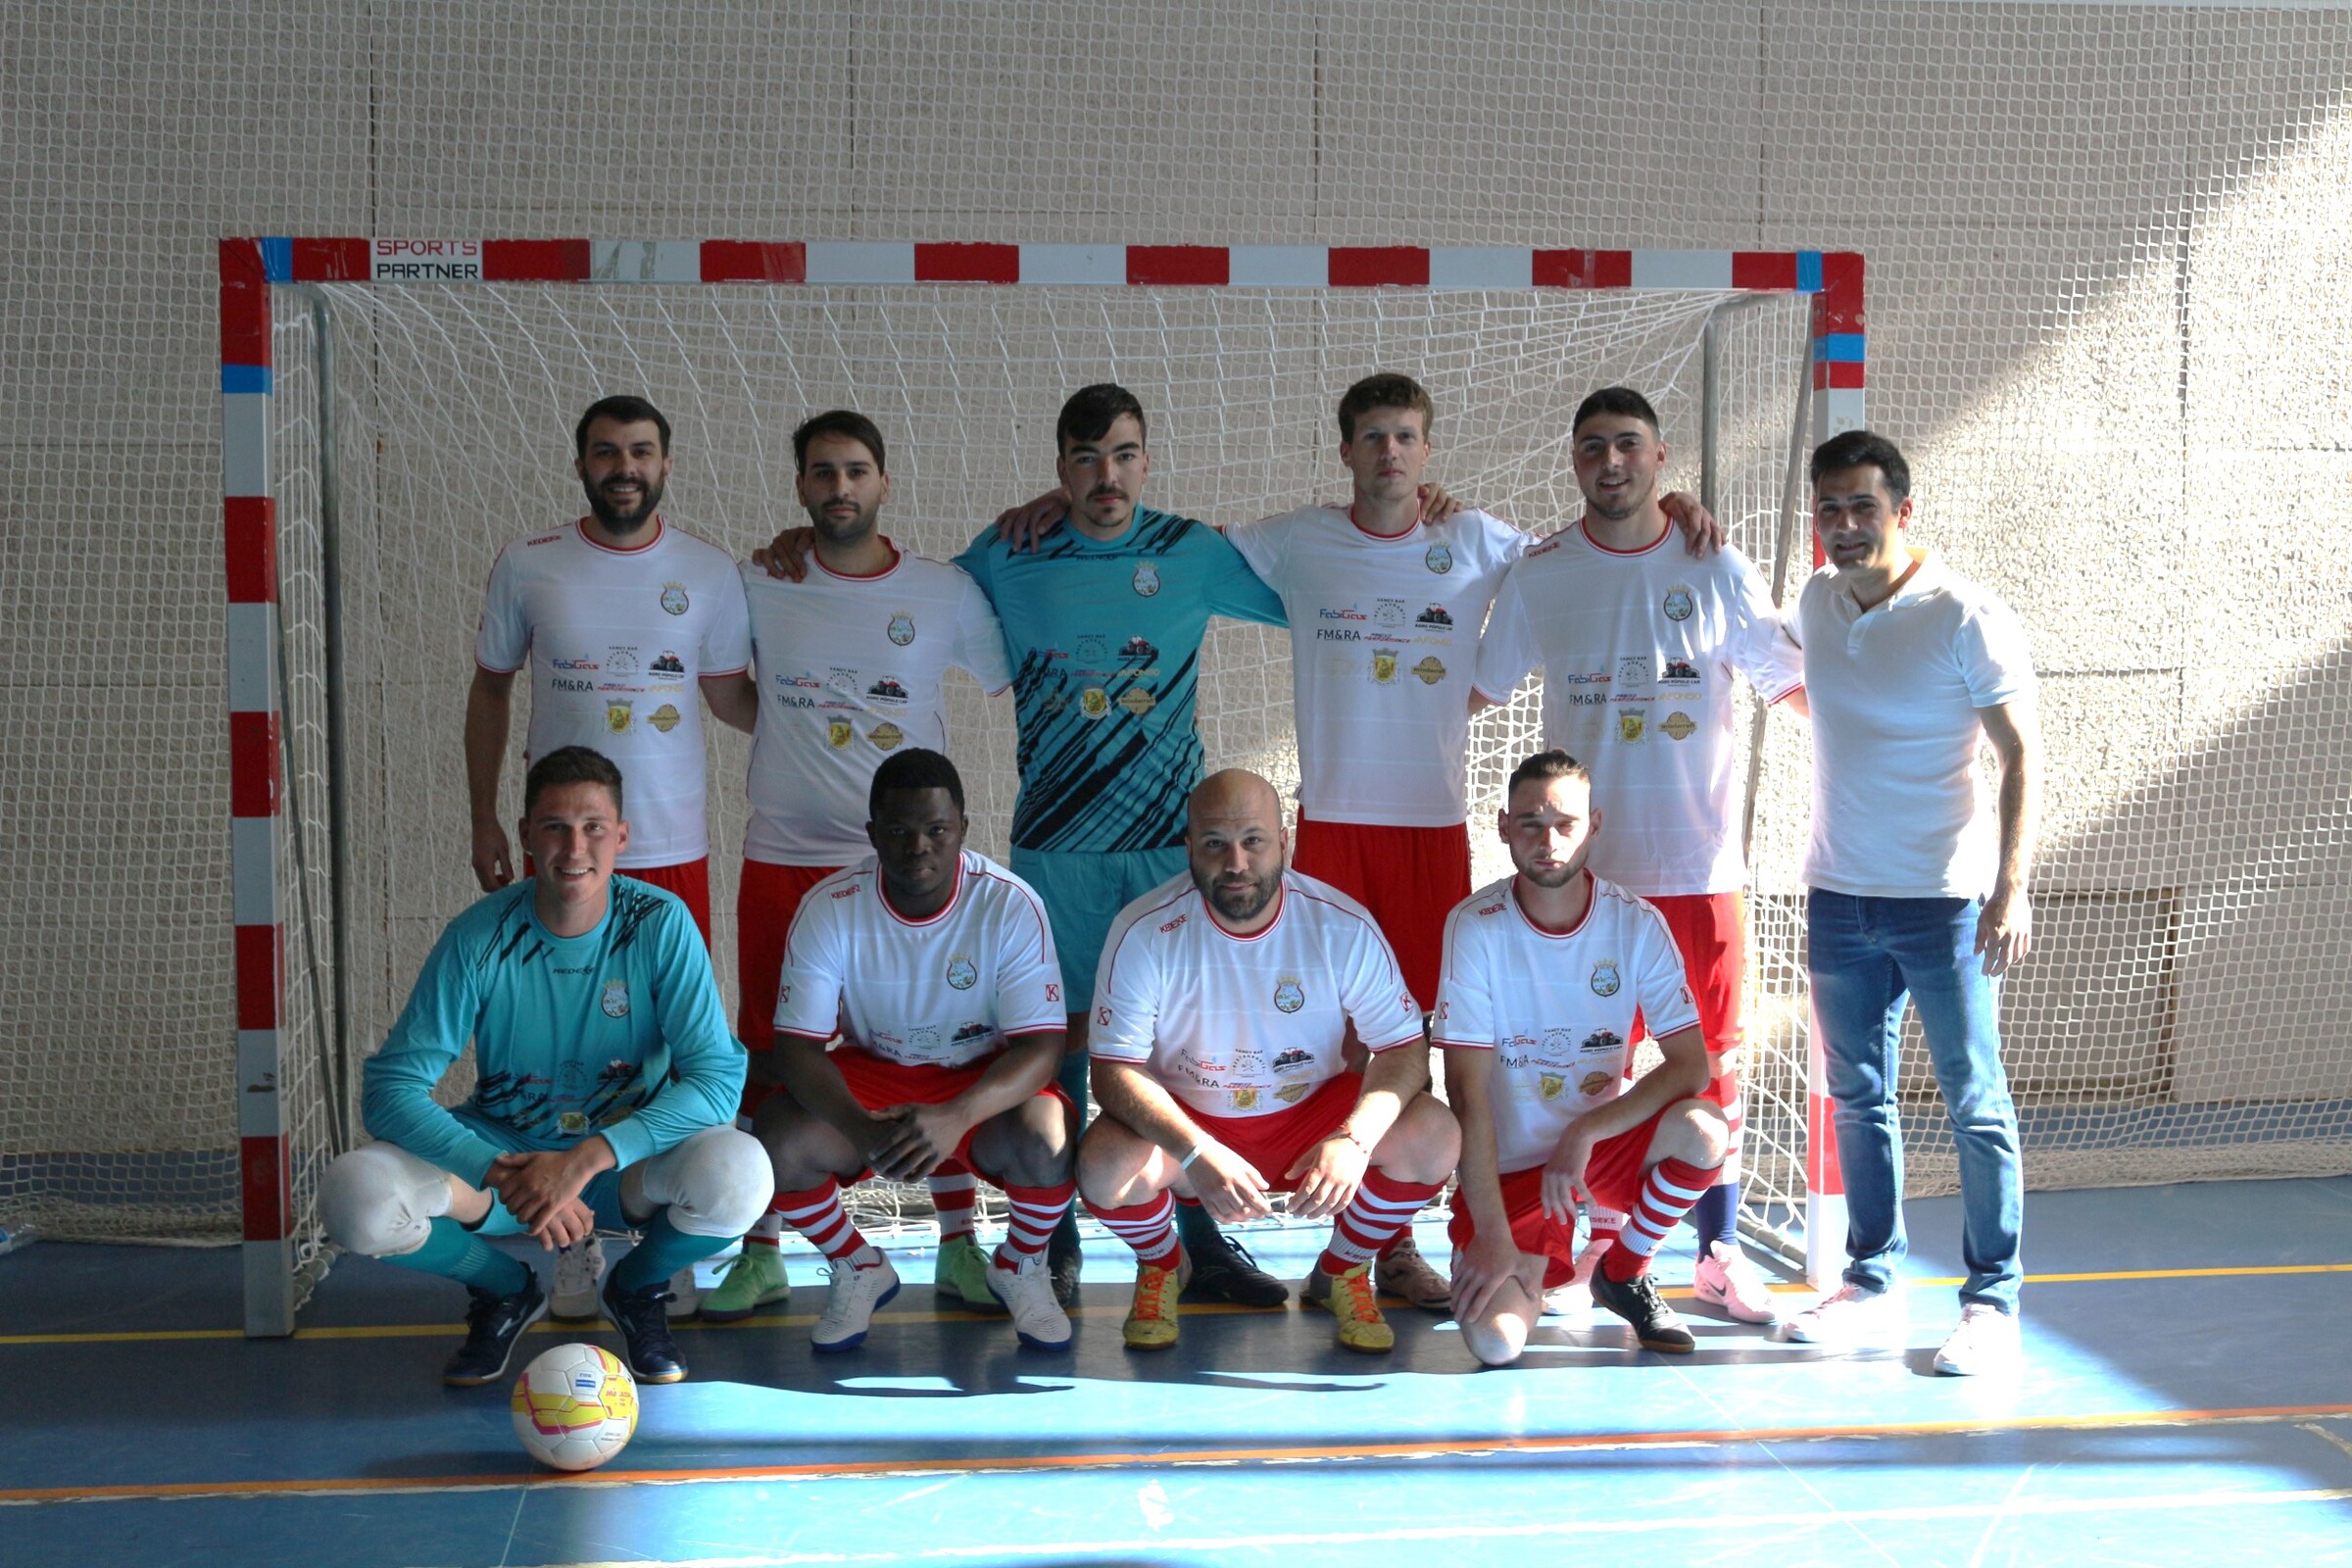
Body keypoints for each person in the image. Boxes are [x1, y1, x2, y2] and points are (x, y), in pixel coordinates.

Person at [760, 384, 1295, 1309]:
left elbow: (1318, 598)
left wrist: (1414, 523)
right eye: (1086, 459)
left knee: (1179, 1048)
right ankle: (1056, 1239)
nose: (1106, 476)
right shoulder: (1012, 554)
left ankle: (1202, 1240)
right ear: (1060, 469)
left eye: (1124, 455)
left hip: (1171, 852)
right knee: (1069, 1046)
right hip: (1055, 847)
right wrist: (797, 557)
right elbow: (895, 582)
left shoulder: (1189, 552)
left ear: (1146, 459)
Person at [1472, 387, 1803, 1324]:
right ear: (1573, 463)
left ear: (1662, 459)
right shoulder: (1541, 574)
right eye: (1591, 449)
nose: (1609, 462)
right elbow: (1474, 691)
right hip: (1584, 889)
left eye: (1627, 445)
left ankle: (1716, 1255)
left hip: (1697, 876)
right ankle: (1566, 1247)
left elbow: (1796, 691)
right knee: (1579, 1069)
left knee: (1714, 1078)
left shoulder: (1719, 566)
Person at [698, 411, 1014, 1326]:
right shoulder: (760, 578)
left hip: (908, 871)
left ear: (884, 482)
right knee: (771, 1049)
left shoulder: (944, 591)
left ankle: (960, 1244)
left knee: (936, 1040)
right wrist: (802, 738)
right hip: (787, 859)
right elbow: (728, 694)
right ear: (800, 486)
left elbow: (1004, 680)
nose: (840, 488)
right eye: (823, 473)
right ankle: (762, 1255)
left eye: (857, 471)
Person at [318, 747, 768, 1387]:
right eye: (554, 826)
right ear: (527, 836)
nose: (573, 846)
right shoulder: (481, 935)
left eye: (592, 827)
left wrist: (582, 1162)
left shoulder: (660, 925)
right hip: (507, 1166)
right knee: (354, 1195)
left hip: (622, 1168)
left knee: (740, 1173)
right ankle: (505, 1289)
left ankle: (636, 1289)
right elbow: (389, 1090)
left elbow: (717, 1081)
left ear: (621, 837)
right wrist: (499, 1170)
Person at [466, 395, 756, 1320]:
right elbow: (489, 689)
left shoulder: (710, 572)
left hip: (671, 850)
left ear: (667, 464)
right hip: (564, 851)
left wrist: (836, 711)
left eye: (640, 452)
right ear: (582, 464)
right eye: (605, 452)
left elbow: (735, 700)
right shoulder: (530, 564)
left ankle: (655, 1248)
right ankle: (572, 1246)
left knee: (665, 1065)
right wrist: (483, 816)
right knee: (563, 1055)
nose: (623, 467)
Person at [1780, 429, 2037, 1376]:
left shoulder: (1964, 613)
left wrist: (2010, 885)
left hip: (1946, 901)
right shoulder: (1815, 597)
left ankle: (1991, 1302)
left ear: (1902, 511)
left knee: (1975, 1100)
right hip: (1840, 895)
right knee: (1857, 1096)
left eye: (1862, 508)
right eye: (1829, 510)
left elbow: (2020, 755)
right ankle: (1870, 1280)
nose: (1845, 527)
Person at [1077, 769, 1459, 1352]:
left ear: (1284, 841)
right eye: (1214, 844)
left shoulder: (1341, 924)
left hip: (1310, 1118)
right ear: (1188, 848)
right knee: (1103, 1167)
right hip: (1193, 1124)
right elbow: (1113, 1070)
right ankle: (1162, 1266)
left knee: (1435, 1135)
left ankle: (1342, 1272)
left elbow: (1404, 1046)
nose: (1235, 862)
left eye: (1253, 841)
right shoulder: (1145, 930)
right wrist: (1196, 1151)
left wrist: (1354, 1141)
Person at [751, 749, 1077, 1352]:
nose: (918, 847)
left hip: (979, 1076)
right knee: (776, 1139)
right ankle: (859, 1265)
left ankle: (1021, 1264)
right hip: (876, 1075)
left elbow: (1042, 1048)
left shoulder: (1009, 903)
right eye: (898, 831)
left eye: (936, 830)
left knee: (1048, 1136)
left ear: (962, 830)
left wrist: (958, 1116)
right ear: (872, 833)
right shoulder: (830, 907)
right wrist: (861, 1129)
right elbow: (797, 1051)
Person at [1437, 750, 1730, 1364]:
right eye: (1530, 824)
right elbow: (1465, 1093)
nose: (1549, 841)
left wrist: (1587, 1129)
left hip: (1590, 1159)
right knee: (1495, 1344)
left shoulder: (1636, 924)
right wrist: (1492, 1234)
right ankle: (1530, 1259)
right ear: (1503, 828)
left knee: (1704, 1131)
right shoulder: (1474, 925)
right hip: (1510, 1175)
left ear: (1593, 826)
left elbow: (1690, 1067)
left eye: (1565, 824)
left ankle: (1621, 1271)